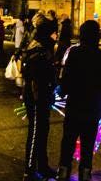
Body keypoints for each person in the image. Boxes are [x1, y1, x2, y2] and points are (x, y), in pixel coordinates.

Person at [57, 20, 101, 181]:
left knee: (68, 140)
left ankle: (63, 170)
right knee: (88, 143)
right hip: (92, 107)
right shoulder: (100, 56)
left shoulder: (74, 53)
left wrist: (62, 91)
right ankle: (85, 172)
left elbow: (67, 78)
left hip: (75, 105)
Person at [22, 13, 59, 181]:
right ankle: (29, 169)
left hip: (42, 96)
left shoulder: (43, 47)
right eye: (53, 33)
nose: (55, 36)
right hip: (37, 97)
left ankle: (43, 166)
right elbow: (35, 76)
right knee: (36, 131)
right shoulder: (38, 49)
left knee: (43, 131)